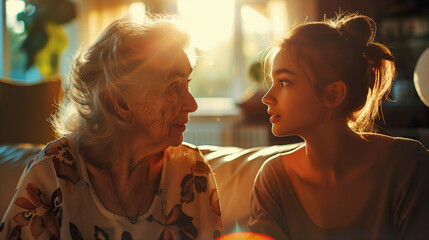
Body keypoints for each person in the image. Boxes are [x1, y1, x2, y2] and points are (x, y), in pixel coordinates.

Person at [0, 15, 222, 239]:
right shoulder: (52, 173)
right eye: (173, 86)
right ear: (121, 103)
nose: (192, 104)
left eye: (187, 84)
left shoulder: (191, 172)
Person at [248, 13, 429, 240]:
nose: (267, 97)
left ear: (333, 94)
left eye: (284, 82)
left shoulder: (409, 165)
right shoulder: (273, 178)